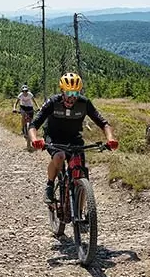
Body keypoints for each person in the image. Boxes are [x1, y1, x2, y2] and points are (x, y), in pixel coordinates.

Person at [27, 72, 119, 204]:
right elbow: (34, 124)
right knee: (59, 156)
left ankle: (80, 212)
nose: (72, 97)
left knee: (81, 171)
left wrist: (110, 139)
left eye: (75, 93)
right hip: (54, 137)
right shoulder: (53, 102)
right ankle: (50, 185)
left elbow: (104, 123)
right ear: (62, 91)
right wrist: (34, 139)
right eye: (68, 93)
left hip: (74, 138)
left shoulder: (84, 103)